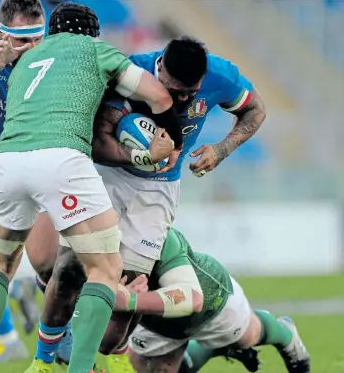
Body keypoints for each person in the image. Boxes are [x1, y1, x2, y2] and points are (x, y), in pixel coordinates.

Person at [24, 35, 267, 368]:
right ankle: (47, 356)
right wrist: (140, 157)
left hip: (157, 196)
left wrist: (221, 149)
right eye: (173, 90)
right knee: (65, 273)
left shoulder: (220, 76)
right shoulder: (131, 73)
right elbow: (96, 143)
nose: (180, 100)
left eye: (189, 94)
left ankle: (102, 344)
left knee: (113, 333)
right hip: (107, 180)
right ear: (160, 66)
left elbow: (255, 110)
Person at [0, 0, 183, 372]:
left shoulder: (23, 64)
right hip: (57, 159)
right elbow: (161, 96)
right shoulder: (93, 49)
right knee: (105, 268)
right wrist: (167, 145)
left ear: (49, 31)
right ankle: (80, 367)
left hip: (6, 161)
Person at [100, 228, 311, 373]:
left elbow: (191, 298)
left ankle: (285, 333)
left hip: (210, 303)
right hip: (153, 321)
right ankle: (213, 348)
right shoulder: (86, 247)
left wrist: (130, 302)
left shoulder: (156, 234)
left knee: (248, 337)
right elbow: (107, 345)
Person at [0, 0, 46, 363]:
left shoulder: (49, 56)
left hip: (24, 168)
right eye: (22, 41)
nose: (33, 49)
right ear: (2, 34)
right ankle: (16, 300)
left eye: (38, 39)